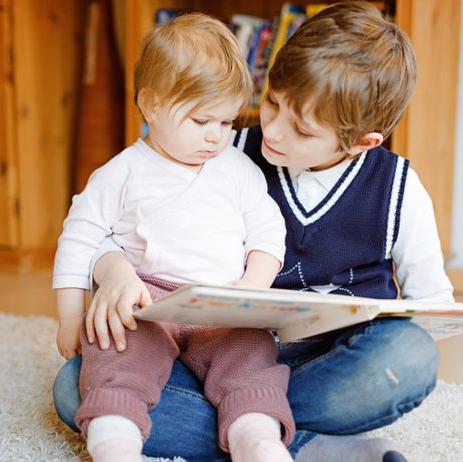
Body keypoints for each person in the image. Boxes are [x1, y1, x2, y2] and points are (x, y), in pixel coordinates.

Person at [53, 2, 454, 461]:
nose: (274, 131)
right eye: (272, 102)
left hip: (322, 366)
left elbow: (432, 310)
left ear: (362, 142)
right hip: (210, 348)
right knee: (75, 386)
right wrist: (117, 270)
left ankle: (250, 419)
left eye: (301, 129)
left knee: (410, 356)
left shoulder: (398, 189)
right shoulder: (223, 148)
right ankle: (303, 445)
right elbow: (113, 221)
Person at [53, 12, 297, 462]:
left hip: (222, 303)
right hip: (147, 301)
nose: (215, 137)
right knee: (113, 349)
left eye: (226, 124)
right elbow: (79, 237)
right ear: (150, 105)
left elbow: (267, 230)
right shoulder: (121, 172)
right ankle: (115, 441)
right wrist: (70, 316)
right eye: (201, 121)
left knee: (252, 361)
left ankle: (256, 438)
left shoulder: (237, 170)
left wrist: (253, 287)